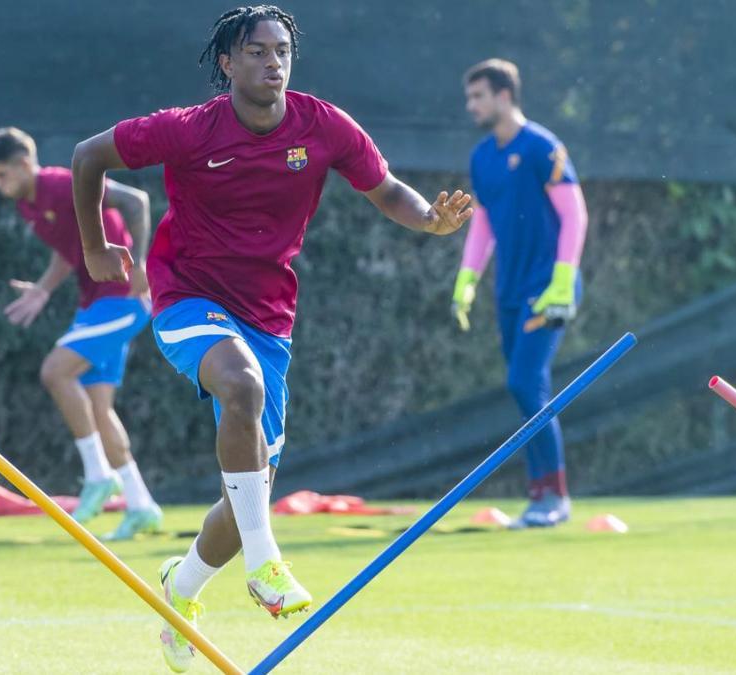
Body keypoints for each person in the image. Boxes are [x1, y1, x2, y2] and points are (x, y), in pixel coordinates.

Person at [70, 6, 472, 671]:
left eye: (281, 50)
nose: (272, 62)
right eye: (255, 52)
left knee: (247, 486)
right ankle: (266, 560)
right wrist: (93, 246)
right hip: (186, 294)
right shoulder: (187, 129)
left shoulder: (323, 125)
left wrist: (429, 219)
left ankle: (182, 590)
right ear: (226, 64)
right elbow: (89, 157)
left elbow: (386, 187)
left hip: (268, 315)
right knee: (241, 387)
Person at [0, 127, 163, 540]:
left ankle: (98, 476)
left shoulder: (61, 184)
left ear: (26, 164)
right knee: (99, 408)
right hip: (95, 303)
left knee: (56, 372)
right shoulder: (29, 205)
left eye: (3, 174)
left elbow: (136, 200)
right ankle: (141, 505)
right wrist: (43, 290)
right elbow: (70, 249)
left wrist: (142, 265)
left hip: (123, 298)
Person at [452, 58, 589, 528]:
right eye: (469, 97)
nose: (471, 105)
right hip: (509, 288)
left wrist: (562, 280)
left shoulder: (542, 148)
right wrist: (467, 279)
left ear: (505, 95)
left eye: (479, 96)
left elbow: (575, 215)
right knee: (526, 386)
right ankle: (540, 495)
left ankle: (554, 495)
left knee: (524, 382)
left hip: (546, 287)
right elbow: (484, 222)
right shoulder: (482, 156)